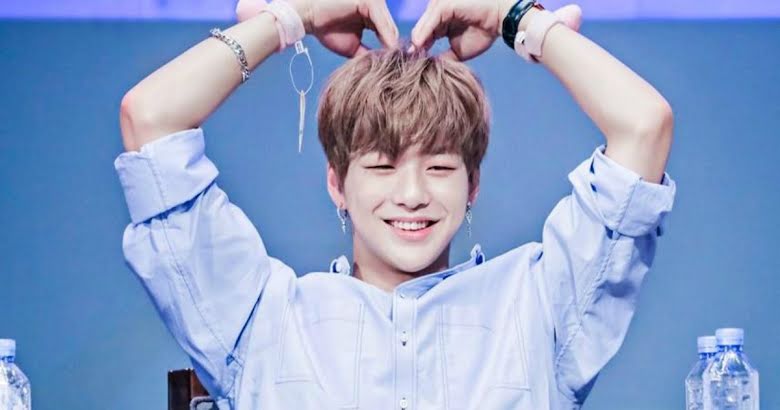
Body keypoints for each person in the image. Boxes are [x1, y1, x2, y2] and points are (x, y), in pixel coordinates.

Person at [114, 0, 676, 407]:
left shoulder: (538, 304)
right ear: (337, 184)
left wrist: (517, 18)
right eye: (382, 167)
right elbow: (150, 119)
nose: (411, 195)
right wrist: (292, 17)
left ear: (473, 183)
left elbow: (644, 126)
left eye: (439, 168)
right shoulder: (264, 318)